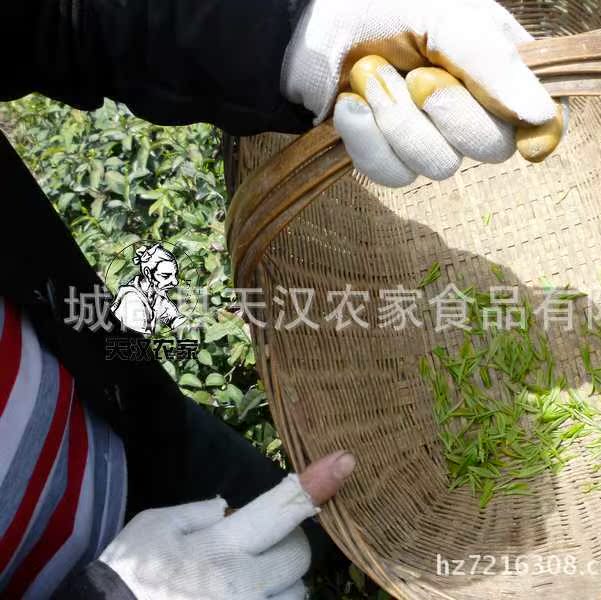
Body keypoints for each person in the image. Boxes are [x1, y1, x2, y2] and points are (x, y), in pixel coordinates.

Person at [0, 0, 557, 598]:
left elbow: (57, 16)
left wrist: (303, 37)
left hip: (120, 420)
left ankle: (337, 566)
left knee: (304, 530)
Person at [111, 244, 187, 336]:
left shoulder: (156, 293)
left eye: (174, 275)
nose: (175, 282)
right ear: (148, 273)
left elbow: (173, 317)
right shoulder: (132, 300)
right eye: (165, 276)